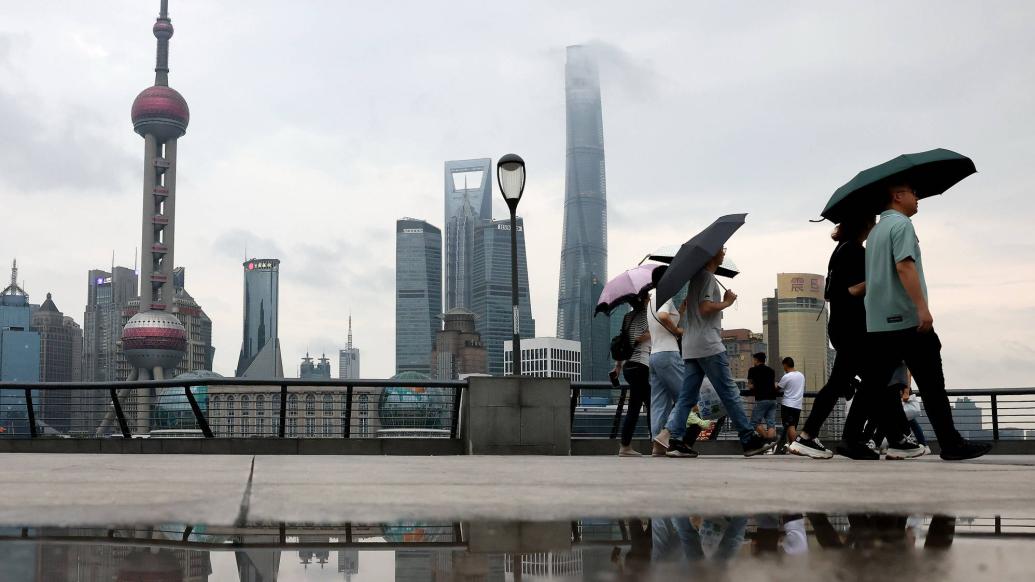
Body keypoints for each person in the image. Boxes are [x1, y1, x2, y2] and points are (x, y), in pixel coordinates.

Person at [861, 182, 991, 460]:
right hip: (907, 321)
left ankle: (857, 438)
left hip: (878, 323)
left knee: (876, 385)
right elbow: (904, 266)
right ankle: (951, 443)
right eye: (913, 192)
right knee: (932, 386)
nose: (918, 197)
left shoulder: (874, 233)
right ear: (897, 196)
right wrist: (922, 308)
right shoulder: (902, 226)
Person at [662, 246, 773, 457]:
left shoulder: (696, 279)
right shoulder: (706, 277)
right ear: (712, 254)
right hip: (708, 345)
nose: (723, 252)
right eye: (721, 249)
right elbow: (704, 308)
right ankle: (748, 440)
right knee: (729, 393)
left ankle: (676, 441)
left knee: (686, 397)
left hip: (691, 346)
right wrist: (727, 302)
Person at [790, 216, 876, 460]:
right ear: (865, 225)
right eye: (873, 221)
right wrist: (879, 277)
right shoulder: (855, 252)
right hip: (853, 327)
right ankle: (817, 437)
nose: (874, 226)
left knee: (853, 382)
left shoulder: (839, 250)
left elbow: (830, 294)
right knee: (869, 381)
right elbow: (851, 290)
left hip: (840, 326)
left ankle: (817, 436)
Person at [647, 269, 693, 458]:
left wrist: (680, 311)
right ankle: (675, 440)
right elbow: (664, 317)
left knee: (659, 402)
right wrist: (678, 331)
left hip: (654, 355)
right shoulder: (664, 297)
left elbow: (661, 320)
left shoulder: (650, 300)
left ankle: (658, 444)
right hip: (668, 353)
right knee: (685, 397)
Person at [613, 292, 652, 457]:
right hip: (640, 364)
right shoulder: (647, 315)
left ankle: (627, 445)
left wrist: (618, 367)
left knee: (638, 406)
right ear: (643, 299)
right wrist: (654, 332)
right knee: (650, 406)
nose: (650, 298)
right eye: (648, 296)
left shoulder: (627, 317)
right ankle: (655, 443)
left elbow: (623, 342)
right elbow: (640, 338)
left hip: (629, 366)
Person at [775, 357, 804, 454]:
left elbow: (778, 388)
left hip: (788, 405)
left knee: (790, 427)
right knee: (793, 426)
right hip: (798, 406)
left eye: (783, 365)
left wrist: (775, 384)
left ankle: (797, 448)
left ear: (786, 365)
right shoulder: (801, 375)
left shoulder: (787, 376)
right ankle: (792, 448)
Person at [747, 352, 778, 441]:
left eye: (754, 360)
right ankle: (771, 446)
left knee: (754, 423)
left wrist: (753, 386)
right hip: (772, 400)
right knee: (771, 424)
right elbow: (772, 384)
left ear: (756, 360)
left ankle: (767, 441)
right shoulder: (771, 370)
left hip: (762, 399)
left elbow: (750, 386)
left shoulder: (752, 370)